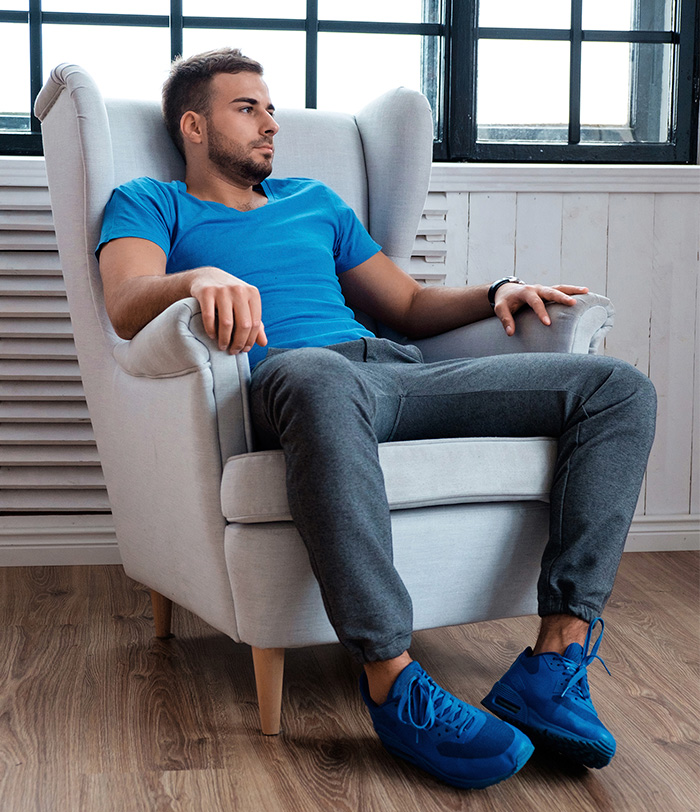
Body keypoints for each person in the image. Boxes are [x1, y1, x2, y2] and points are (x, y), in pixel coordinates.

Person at [97, 48, 657, 790]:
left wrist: (497, 289)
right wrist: (197, 277)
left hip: (395, 374)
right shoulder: (150, 201)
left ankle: (554, 663)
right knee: (318, 371)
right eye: (248, 108)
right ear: (194, 127)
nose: (271, 123)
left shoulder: (315, 200)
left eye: (271, 108)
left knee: (616, 388)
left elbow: (408, 305)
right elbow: (124, 302)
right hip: (293, 382)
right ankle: (393, 681)